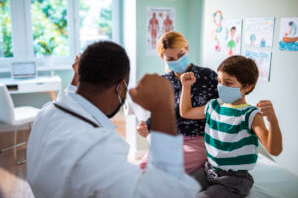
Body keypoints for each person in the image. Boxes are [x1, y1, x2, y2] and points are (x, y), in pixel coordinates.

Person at [26, 41, 200, 198]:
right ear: (120, 87)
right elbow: (167, 192)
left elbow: (70, 97)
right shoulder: (97, 148)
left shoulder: (46, 112)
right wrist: (163, 107)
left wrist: (75, 79)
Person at [179, 55, 283, 198]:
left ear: (247, 86)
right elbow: (186, 112)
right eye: (220, 81)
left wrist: (272, 120)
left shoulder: (250, 115)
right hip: (209, 170)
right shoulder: (213, 107)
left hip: (233, 180)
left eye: (228, 83)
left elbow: (274, 150)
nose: (221, 87)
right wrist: (186, 86)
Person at [137, 31, 218, 174]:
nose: (177, 60)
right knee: (142, 168)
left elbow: (220, 111)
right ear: (163, 59)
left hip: (199, 141)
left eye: (181, 55)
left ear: (187, 49)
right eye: (171, 58)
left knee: (158, 170)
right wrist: (145, 126)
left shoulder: (208, 76)